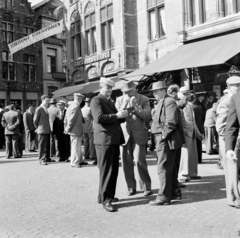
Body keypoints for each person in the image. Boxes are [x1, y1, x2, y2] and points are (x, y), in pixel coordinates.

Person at [90, 77, 128, 212]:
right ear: (101, 87)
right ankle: (106, 200)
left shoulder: (108, 101)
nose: (110, 90)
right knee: (107, 170)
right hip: (104, 140)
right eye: (107, 87)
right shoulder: (96, 100)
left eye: (111, 88)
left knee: (112, 170)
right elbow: (99, 118)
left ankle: (106, 196)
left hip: (111, 140)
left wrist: (122, 115)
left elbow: (113, 118)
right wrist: (117, 116)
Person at [115, 81, 152, 196]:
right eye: (126, 92)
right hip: (125, 135)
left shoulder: (144, 99)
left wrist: (136, 106)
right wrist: (124, 106)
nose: (128, 93)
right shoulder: (119, 100)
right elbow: (117, 116)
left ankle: (146, 186)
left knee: (139, 161)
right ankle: (131, 187)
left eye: (131, 91)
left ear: (135, 89)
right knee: (126, 162)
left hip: (139, 134)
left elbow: (147, 116)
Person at [149, 81, 182, 206]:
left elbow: (171, 122)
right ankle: (174, 192)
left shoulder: (168, 101)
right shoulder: (164, 101)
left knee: (163, 167)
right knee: (169, 167)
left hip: (165, 139)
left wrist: (163, 135)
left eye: (156, 91)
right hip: (163, 138)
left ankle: (164, 196)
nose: (154, 93)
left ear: (163, 90)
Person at [217, 76, 240, 208]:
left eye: (239, 85)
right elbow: (221, 125)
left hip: (235, 139)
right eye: (236, 85)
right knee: (232, 171)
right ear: (229, 87)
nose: (238, 87)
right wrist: (229, 142)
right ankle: (234, 198)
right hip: (230, 140)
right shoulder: (227, 100)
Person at [178, 87, 203, 182]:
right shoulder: (180, 104)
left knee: (193, 154)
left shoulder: (189, 105)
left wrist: (197, 132)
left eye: (188, 93)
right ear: (180, 94)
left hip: (191, 131)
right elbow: (180, 121)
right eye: (185, 93)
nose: (187, 95)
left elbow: (193, 121)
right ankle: (183, 175)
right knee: (185, 154)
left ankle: (192, 173)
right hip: (185, 132)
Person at [167, 84, 187, 188]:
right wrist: (183, 97)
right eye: (177, 92)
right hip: (174, 136)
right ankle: (174, 182)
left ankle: (175, 181)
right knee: (175, 161)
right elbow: (181, 104)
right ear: (174, 93)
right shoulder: (171, 101)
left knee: (176, 160)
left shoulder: (171, 101)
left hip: (176, 135)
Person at [65, 93, 88, 168]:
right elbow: (72, 119)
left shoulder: (71, 106)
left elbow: (67, 118)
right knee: (76, 147)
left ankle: (80, 160)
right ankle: (74, 162)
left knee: (76, 146)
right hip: (75, 130)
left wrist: (67, 127)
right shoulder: (76, 106)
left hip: (74, 129)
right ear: (80, 99)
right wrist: (68, 128)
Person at [34, 95, 51, 165]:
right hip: (42, 129)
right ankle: (41, 159)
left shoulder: (45, 108)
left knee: (46, 145)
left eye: (48, 101)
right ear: (43, 100)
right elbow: (35, 120)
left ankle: (47, 158)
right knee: (42, 145)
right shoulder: (39, 109)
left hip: (46, 129)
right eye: (47, 100)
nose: (48, 102)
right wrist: (37, 127)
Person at [82, 97, 97, 164]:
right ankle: (92, 155)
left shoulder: (81, 109)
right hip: (90, 127)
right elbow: (94, 117)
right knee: (91, 142)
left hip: (84, 127)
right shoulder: (90, 109)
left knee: (86, 142)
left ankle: (86, 155)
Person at [191, 94, 205, 163]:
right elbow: (203, 117)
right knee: (199, 144)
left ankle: (193, 159)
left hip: (191, 127)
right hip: (199, 126)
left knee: (192, 144)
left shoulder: (188, 107)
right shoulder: (199, 107)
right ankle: (199, 159)